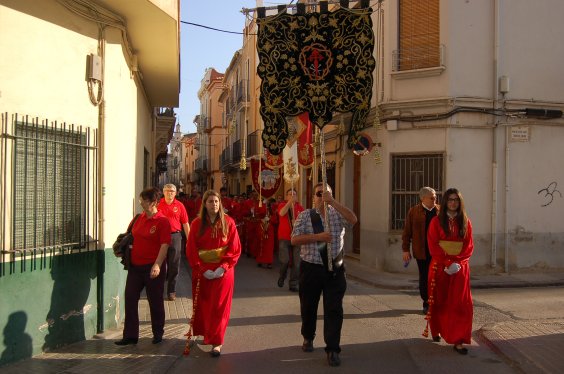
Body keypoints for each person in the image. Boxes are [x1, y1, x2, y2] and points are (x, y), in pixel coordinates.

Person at [291, 183, 357, 367]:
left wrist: (333, 202)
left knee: (334, 309)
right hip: (311, 268)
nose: (322, 197)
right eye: (319, 194)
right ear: (313, 197)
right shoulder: (305, 216)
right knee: (308, 306)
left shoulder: (338, 214)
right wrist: (318, 237)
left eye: (326, 193)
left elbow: (353, 220)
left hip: (335, 269)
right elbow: (294, 239)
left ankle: (333, 349)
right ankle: (308, 336)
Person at [186, 190, 241, 357]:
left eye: (216, 201)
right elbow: (191, 249)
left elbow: (234, 248)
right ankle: (207, 334)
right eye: (210, 201)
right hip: (202, 270)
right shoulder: (196, 224)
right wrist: (201, 269)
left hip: (223, 272)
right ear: (204, 204)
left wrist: (223, 267)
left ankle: (217, 342)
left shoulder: (229, 222)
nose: (214, 204)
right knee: (204, 305)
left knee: (219, 307)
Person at [115, 187, 171, 346]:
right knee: (130, 298)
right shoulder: (138, 218)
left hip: (153, 267)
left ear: (154, 202)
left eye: (144, 200)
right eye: (141, 200)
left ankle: (158, 333)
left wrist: (158, 265)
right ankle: (130, 336)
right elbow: (130, 236)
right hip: (135, 267)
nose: (141, 203)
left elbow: (164, 245)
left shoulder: (162, 221)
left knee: (155, 301)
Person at [425, 188, 474, 355]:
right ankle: (437, 330)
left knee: (460, 304)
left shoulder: (466, 222)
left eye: (456, 200)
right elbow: (433, 245)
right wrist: (447, 263)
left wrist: (457, 263)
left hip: (460, 268)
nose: (453, 202)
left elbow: (468, 246)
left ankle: (458, 339)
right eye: (450, 199)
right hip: (440, 267)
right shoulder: (436, 222)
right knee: (439, 300)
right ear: (445, 201)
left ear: (460, 202)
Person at [401, 187, 440, 314]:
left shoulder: (440, 211)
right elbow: (407, 232)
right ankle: (426, 303)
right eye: (432, 197)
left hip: (438, 251)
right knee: (424, 277)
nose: (435, 199)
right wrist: (406, 249)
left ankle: (437, 302)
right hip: (422, 251)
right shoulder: (414, 212)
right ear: (422, 198)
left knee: (438, 277)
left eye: (435, 197)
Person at [158, 183, 190, 301]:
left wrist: (189, 240)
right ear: (163, 192)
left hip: (175, 236)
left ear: (175, 193)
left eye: (172, 191)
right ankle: (158, 289)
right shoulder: (158, 204)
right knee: (159, 263)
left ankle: (171, 291)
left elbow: (185, 223)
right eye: (167, 191)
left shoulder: (180, 206)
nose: (169, 193)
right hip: (160, 238)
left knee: (174, 264)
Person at [277, 188, 304, 292]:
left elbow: (304, 222)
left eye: (294, 194)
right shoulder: (282, 205)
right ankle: (282, 276)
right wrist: (289, 203)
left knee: (297, 263)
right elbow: (282, 213)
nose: (292, 196)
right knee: (285, 260)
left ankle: (293, 283)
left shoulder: (300, 208)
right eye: (290, 194)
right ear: (286, 196)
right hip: (284, 237)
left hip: (297, 237)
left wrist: (296, 223)